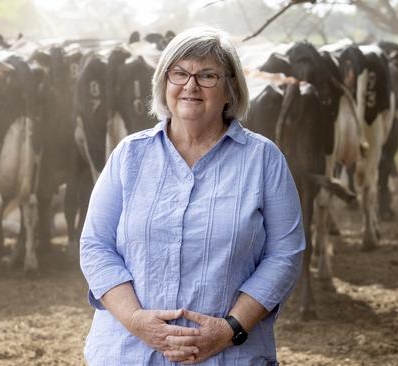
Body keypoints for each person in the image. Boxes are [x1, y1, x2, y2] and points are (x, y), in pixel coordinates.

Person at [79, 26, 305, 365]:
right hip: (128, 352)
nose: (190, 85)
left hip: (228, 355)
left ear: (231, 88)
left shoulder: (263, 159)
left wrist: (230, 329)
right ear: (164, 83)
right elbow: (96, 245)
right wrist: (135, 321)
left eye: (207, 75)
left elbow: (285, 254)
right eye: (179, 73)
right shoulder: (129, 155)